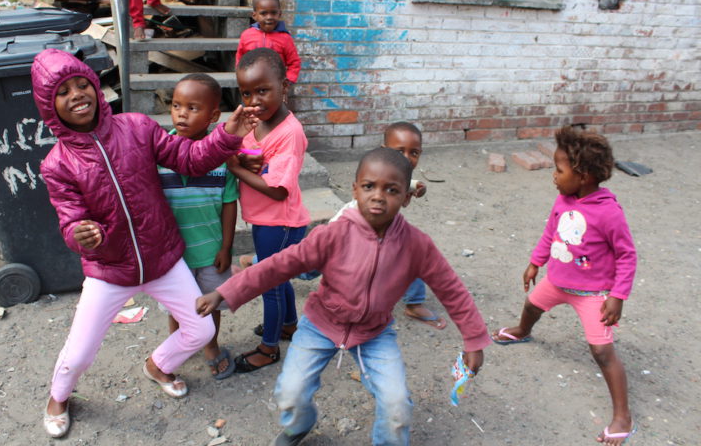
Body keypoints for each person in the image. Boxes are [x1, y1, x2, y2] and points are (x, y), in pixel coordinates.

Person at [197, 147, 490, 446]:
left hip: (374, 332)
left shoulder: (417, 245)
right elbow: (279, 265)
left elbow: (451, 289)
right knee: (290, 393)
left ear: (406, 197)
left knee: (397, 405)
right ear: (355, 189)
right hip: (321, 323)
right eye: (369, 187)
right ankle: (299, 424)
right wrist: (225, 291)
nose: (378, 196)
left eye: (391, 190)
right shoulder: (332, 234)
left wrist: (474, 339)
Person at [31, 49, 255, 438]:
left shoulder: (137, 127)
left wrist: (226, 137)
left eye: (82, 83)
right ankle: (59, 397)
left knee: (200, 331)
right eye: (63, 91)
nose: (77, 94)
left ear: (96, 87)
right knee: (80, 352)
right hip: (110, 270)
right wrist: (79, 234)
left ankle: (157, 364)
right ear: (50, 107)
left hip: (163, 259)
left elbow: (190, 158)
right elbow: (70, 220)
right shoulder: (57, 164)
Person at [491, 125, 637, 446]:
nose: (554, 176)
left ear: (583, 175)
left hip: (593, 295)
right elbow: (551, 234)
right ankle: (522, 331)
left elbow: (627, 256)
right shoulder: (563, 199)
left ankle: (623, 415)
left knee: (602, 351)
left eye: (559, 170)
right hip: (557, 281)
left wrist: (617, 296)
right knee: (531, 306)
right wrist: (535, 262)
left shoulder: (609, 213)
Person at [225, 47, 310, 372]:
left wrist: (236, 169)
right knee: (280, 279)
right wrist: (240, 152)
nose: (254, 100)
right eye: (247, 93)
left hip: (281, 222)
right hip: (266, 221)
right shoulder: (255, 121)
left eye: (263, 90)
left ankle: (269, 348)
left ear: (284, 87)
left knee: (269, 284)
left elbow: (276, 189)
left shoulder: (289, 133)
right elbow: (240, 146)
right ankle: (288, 325)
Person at [158, 74, 239, 380]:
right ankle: (176, 346)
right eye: (176, 105)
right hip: (172, 256)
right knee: (176, 308)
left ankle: (210, 345)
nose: (181, 113)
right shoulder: (159, 151)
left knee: (210, 305)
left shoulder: (221, 157)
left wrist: (226, 246)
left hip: (209, 250)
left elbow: (229, 202)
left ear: (214, 116)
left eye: (192, 107)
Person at [330, 121, 447, 329]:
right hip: (349, 230)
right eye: (400, 151)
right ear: (384, 150)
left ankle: (413, 303)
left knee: (410, 254)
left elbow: (411, 186)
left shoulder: (402, 173)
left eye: (414, 153)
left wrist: (419, 189)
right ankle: (262, 262)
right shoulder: (377, 168)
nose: (407, 158)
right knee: (313, 264)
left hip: (380, 230)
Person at [235, 0, 301, 84]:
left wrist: (287, 81)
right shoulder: (246, 36)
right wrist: (242, 76)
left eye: (273, 13)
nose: (269, 17)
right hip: (252, 83)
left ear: (279, 14)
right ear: (254, 15)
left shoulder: (285, 38)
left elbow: (294, 63)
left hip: (276, 84)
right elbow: (240, 59)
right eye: (264, 13)